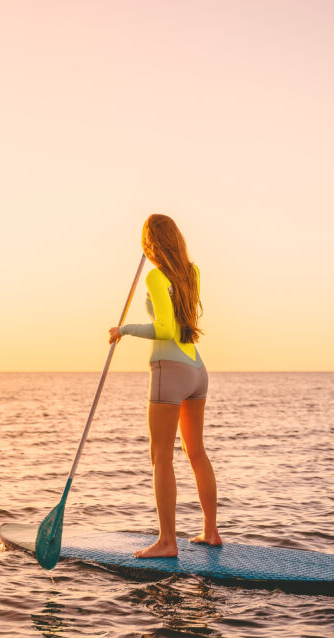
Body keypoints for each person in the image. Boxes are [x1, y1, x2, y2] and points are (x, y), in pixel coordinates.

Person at [108, 214, 222, 558]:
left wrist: (123, 330)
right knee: (195, 451)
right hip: (196, 368)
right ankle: (211, 531)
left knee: (160, 456)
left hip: (169, 370)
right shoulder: (192, 272)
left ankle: (167, 542)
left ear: (150, 245)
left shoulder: (157, 277)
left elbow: (165, 330)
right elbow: (179, 322)